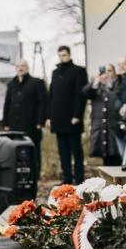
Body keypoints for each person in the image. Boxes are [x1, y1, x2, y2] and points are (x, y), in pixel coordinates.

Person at [47, 45, 88, 184]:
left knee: (76, 151)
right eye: (60, 55)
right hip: (58, 119)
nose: (62, 58)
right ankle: (67, 179)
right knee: (63, 152)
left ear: (69, 55)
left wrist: (77, 115)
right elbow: (51, 96)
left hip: (72, 119)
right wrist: (49, 117)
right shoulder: (55, 72)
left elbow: (80, 95)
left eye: (64, 55)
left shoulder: (79, 71)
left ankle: (79, 180)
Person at [2, 60, 48, 180]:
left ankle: (34, 177)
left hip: (32, 124)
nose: (20, 68)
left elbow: (43, 103)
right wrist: (6, 122)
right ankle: (19, 177)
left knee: (33, 151)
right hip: (15, 125)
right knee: (16, 151)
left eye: (23, 66)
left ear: (27, 67)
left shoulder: (36, 82)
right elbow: (7, 104)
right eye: (18, 66)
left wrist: (40, 121)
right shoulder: (11, 84)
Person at [82, 63, 120, 166]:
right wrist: (96, 81)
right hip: (100, 126)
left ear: (114, 73)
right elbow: (84, 93)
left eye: (109, 71)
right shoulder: (96, 87)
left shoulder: (118, 84)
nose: (106, 74)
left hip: (114, 125)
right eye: (104, 72)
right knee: (105, 154)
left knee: (116, 154)